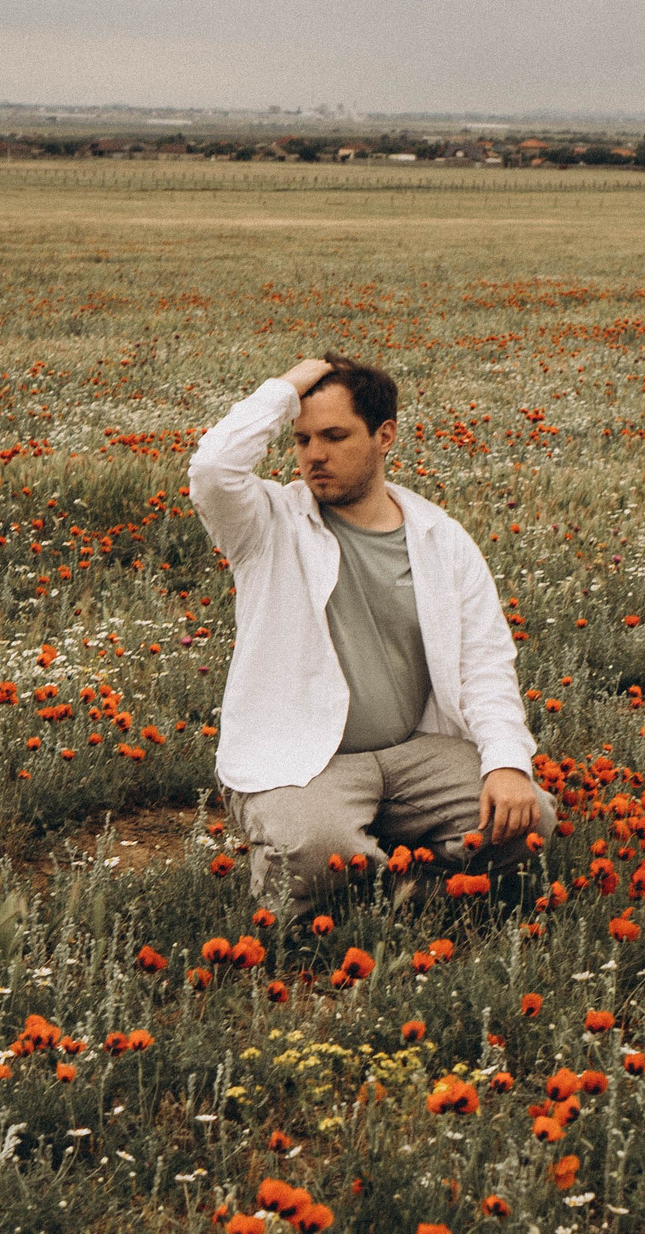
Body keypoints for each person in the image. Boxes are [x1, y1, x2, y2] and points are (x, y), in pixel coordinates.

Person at [188, 354, 556, 915]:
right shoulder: (266, 523)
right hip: (303, 762)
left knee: (530, 821)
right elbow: (213, 469)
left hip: (414, 752)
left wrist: (506, 762)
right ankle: (401, 887)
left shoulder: (441, 538)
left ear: (384, 436)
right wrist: (287, 387)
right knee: (317, 851)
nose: (315, 455)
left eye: (335, 436)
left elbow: (485, 661)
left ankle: (378, 890)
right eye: (302, 438)